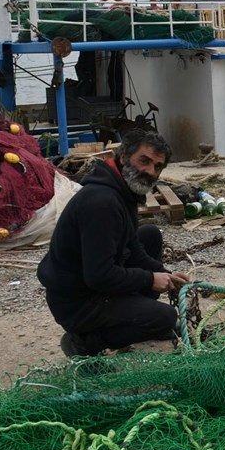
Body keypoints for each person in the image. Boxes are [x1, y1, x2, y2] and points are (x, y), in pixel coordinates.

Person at [37, 129, 190, 357]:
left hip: (92, 284)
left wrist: (166, 275)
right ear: (123, 157)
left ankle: (137, 311)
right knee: (165, 317)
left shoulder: (122, 190)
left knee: (149, 235)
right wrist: (149, 280)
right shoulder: (102, 203)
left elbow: (133, 248)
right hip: (78, 302)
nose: (150, 171)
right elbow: (99, 275)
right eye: (144, 161)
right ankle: (85, 342)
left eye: (157, 167)